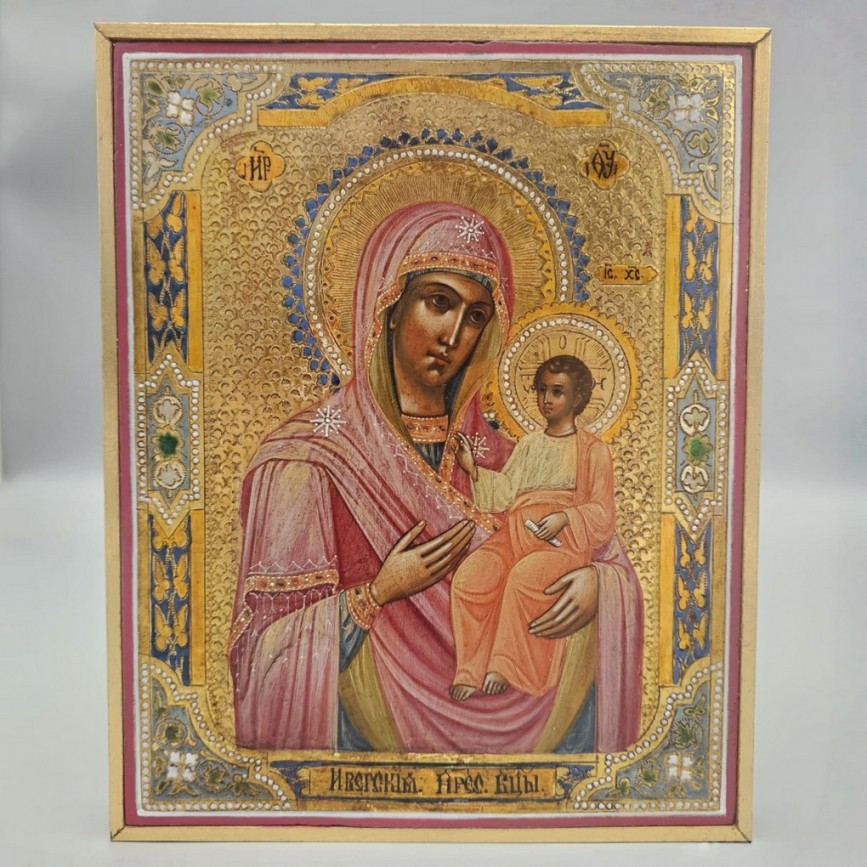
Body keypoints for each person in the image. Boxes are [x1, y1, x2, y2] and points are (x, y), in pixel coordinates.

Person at [229, 201, 643, 754]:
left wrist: (599, 588)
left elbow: (609, 558)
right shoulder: (306, 461)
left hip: (538, 736)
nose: (454, 335)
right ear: (389, 305)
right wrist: (378, 593)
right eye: (439, 302)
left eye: (476, 316)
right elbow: (263, 658)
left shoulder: (508, 457)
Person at [449, 355, 616, 701]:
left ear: (577, 398)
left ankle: (506, 666)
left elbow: (603, 513)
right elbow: (506, 492)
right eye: (542, 390)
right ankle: (469, 669)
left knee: (523, 578)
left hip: (562, 546)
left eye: (557, 392)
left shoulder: (593, 451)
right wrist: (472, 469)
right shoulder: (529, 445)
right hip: (513, 537)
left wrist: (565, 517)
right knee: (471, 578)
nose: (546, 399)